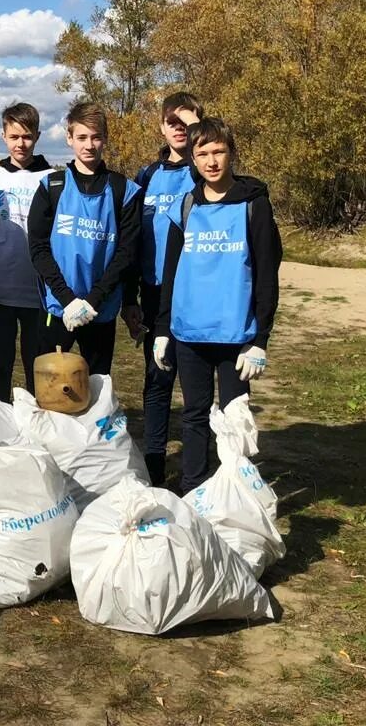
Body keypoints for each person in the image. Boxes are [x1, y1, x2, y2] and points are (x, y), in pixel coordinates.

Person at [153, 117, 281, 492]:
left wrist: (261, 339)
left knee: (234, 419)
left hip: (235, 335)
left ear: (232, 153)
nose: (211, 161)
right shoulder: (186, 205)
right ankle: (194, 491)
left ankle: (235, 494)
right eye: (202, 153)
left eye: (219, 151)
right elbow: (171, 272)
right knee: (193, 416)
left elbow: (267, 275)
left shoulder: (253, 205)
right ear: (192, 158)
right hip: (190, 332)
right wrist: (163, 330)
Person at [121, 91, 204, 486]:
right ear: (162, 126)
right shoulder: (147, 177)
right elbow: (133, 240)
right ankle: (154, 470)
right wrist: (130, 299)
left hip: (192, 296)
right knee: (156, 382)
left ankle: (195, 474)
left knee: (193, 387)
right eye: (173, 122)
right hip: (154, 295)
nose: (180, 130)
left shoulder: (203, 171)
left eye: (188, 124)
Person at [27, 100, 141, 377]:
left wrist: (92, 301)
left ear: (105, 139)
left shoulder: (123, 189)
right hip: (59, 307)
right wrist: (68, 300)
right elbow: (38, 249)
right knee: (51, 390)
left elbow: (126, 253)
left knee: (97, 389)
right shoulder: (52, 186)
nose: (89, 145)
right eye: (81, 137)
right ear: (69, 138)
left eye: (96, 137)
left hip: (99, 309)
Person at [0, 102, 53, 402]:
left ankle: (38, 426)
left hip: (39, 294)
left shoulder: (52, 179)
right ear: (4, 136)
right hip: (1, 293)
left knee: (37, 367)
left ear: (37, 136)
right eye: (14, 137)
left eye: (26, 136)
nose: (20, 143)